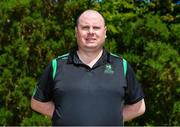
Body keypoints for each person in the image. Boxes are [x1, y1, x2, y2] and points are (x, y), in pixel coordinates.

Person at [31, 9, 145, 126]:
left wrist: (112, 119)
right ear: (76, 32)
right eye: (85, 27)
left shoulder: (121, 65)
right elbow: (37, 102)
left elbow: (139, 107)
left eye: (96, 27)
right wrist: (63, 117)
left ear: (105, 32)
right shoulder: (57, 65)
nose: (91, 32)